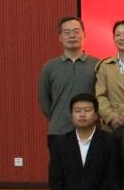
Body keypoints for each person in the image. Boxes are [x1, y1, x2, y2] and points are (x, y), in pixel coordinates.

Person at [39, 16, 99, 152]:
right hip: (59, 131)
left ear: (84, 35)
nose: (72, 36)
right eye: (67, 32)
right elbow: (44, 100)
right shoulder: (49, 67)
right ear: (60, 37)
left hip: (91, 132)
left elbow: (102, 97)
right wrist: (60, 116)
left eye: (76, 31)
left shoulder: (97, 65)